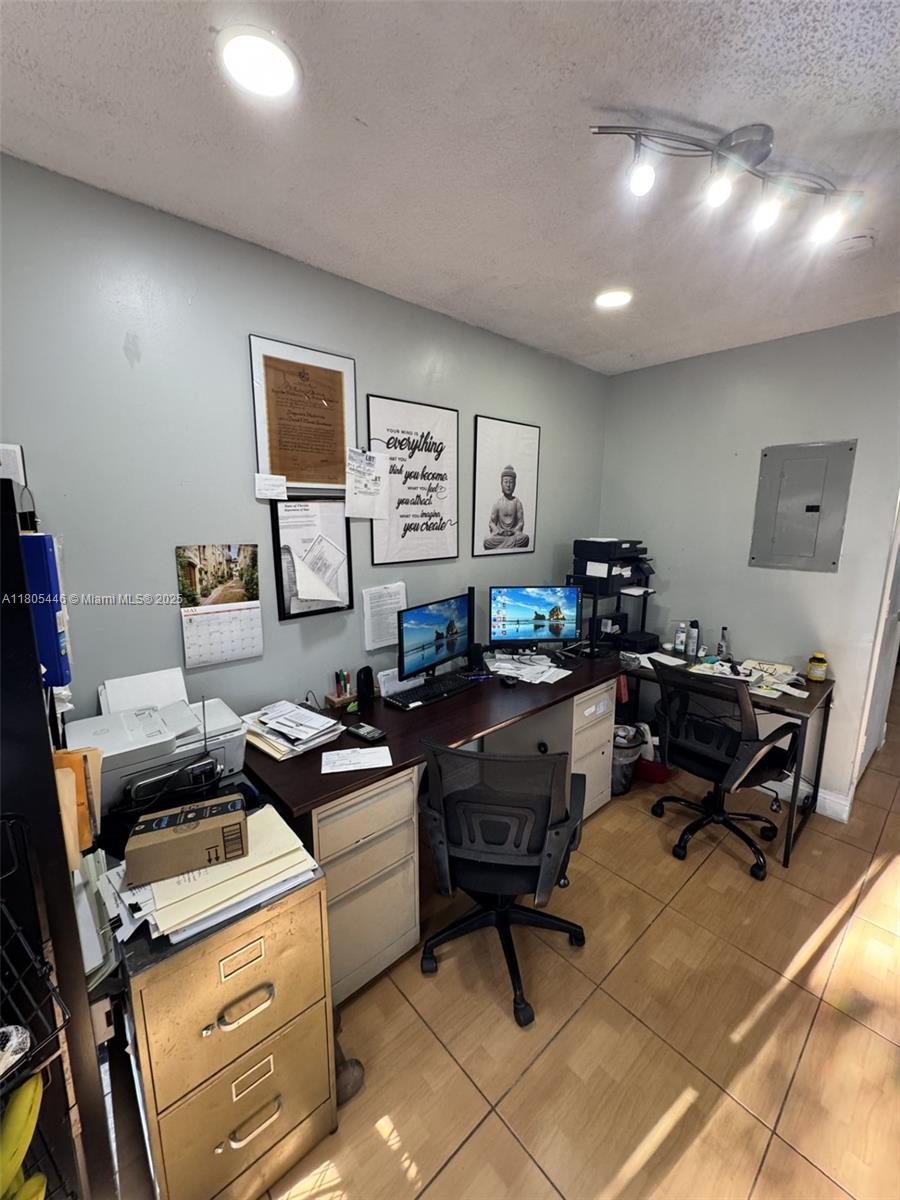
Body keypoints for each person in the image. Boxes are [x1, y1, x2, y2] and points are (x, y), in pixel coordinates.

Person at [483, 465, 530, 550]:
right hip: (500, 535)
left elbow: (520, 522)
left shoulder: (517, 502)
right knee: (487, 541)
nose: (508, 485)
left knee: (524, 538)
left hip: (513, 535)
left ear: (515, 484)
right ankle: (509, 545)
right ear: (501, 484)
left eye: (511, 482)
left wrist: (514, 531)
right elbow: (492, 523)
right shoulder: (497, 503)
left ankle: (504, 545)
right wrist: (497, 531)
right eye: (506, 482)